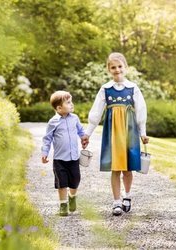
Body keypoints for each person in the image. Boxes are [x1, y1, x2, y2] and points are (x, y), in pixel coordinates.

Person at [85, 52, 149, 216]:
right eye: (113, 67)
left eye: (120, 66)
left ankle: (127, 196)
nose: (117, 70)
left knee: (128, 168)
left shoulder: (133, 88)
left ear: (125, 68)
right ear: (108, 70)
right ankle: (116, 202)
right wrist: (87, 134)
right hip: (112, 132)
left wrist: (143, 133)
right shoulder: (105, 89)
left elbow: (141, 111)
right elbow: (95, 114)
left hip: (129, 132)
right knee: (115, 168)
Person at [41, 90, 89, 216]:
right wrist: (44, 152)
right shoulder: (53, 122)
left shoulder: (75, 118)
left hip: (74, 158)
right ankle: (63, 205)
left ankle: (72, 196)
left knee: (75, 180)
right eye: (68, 102)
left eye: (71, 101)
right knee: (61, 183)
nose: (71, 104)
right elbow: (47, 138)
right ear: (59, 107)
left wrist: (84, 138)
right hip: (59, 159)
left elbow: (80, 131)